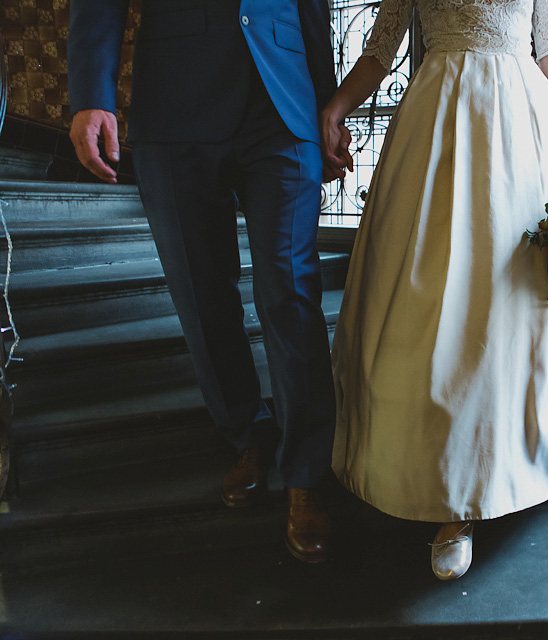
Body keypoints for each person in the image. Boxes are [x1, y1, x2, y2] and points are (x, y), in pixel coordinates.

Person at [322, 0, 548, 580]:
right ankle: (443, 481)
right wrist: (335, 109)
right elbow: (383, 46)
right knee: (431, 305)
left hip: (521, 123)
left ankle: (479, 483)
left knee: (507, 303)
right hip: (438, 119)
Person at [67, 0, 352, 563]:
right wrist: (92, 94)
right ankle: (246, 434)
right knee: (199, 289)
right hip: (176, 96)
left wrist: (325, 106)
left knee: (290, 286)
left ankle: (305, 472)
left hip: (284, 96)